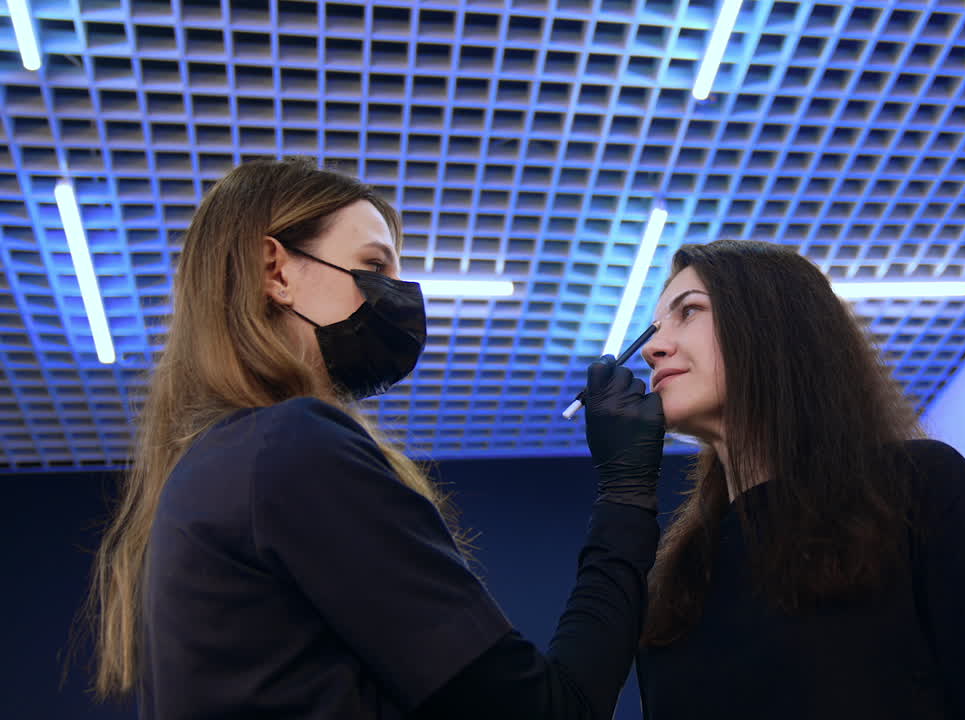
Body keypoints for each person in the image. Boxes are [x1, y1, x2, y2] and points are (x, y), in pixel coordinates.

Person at [86, 157, 667, 718]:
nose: (402, 294)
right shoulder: (291, 448)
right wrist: (626, 492)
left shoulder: (214, 469)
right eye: (374, 265)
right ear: (277, 271)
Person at [633, 239, 965, 720]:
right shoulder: (677, 584)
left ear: (771, 324)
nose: (653, 347)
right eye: (655, 326)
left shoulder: (917, 489)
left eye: (689, 310)